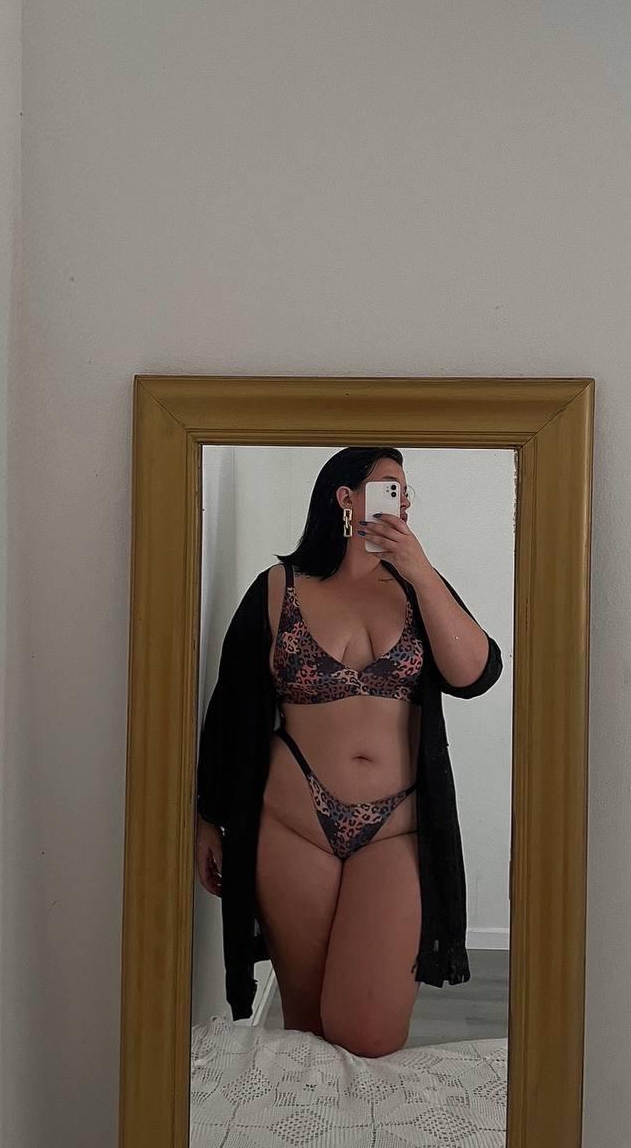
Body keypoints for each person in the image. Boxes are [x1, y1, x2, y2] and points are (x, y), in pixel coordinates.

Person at [195, 447, 503, 1057]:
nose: (404, 500)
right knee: (307, 1028)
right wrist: (208, 817)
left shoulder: (417, 589)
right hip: (292, 823)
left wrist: (421, 571)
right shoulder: (278, 588)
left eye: (406, 491)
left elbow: (475, 674)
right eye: (390, 486)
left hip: (397, 828)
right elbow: (230, 707)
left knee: (368, 1034)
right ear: (345, 497)